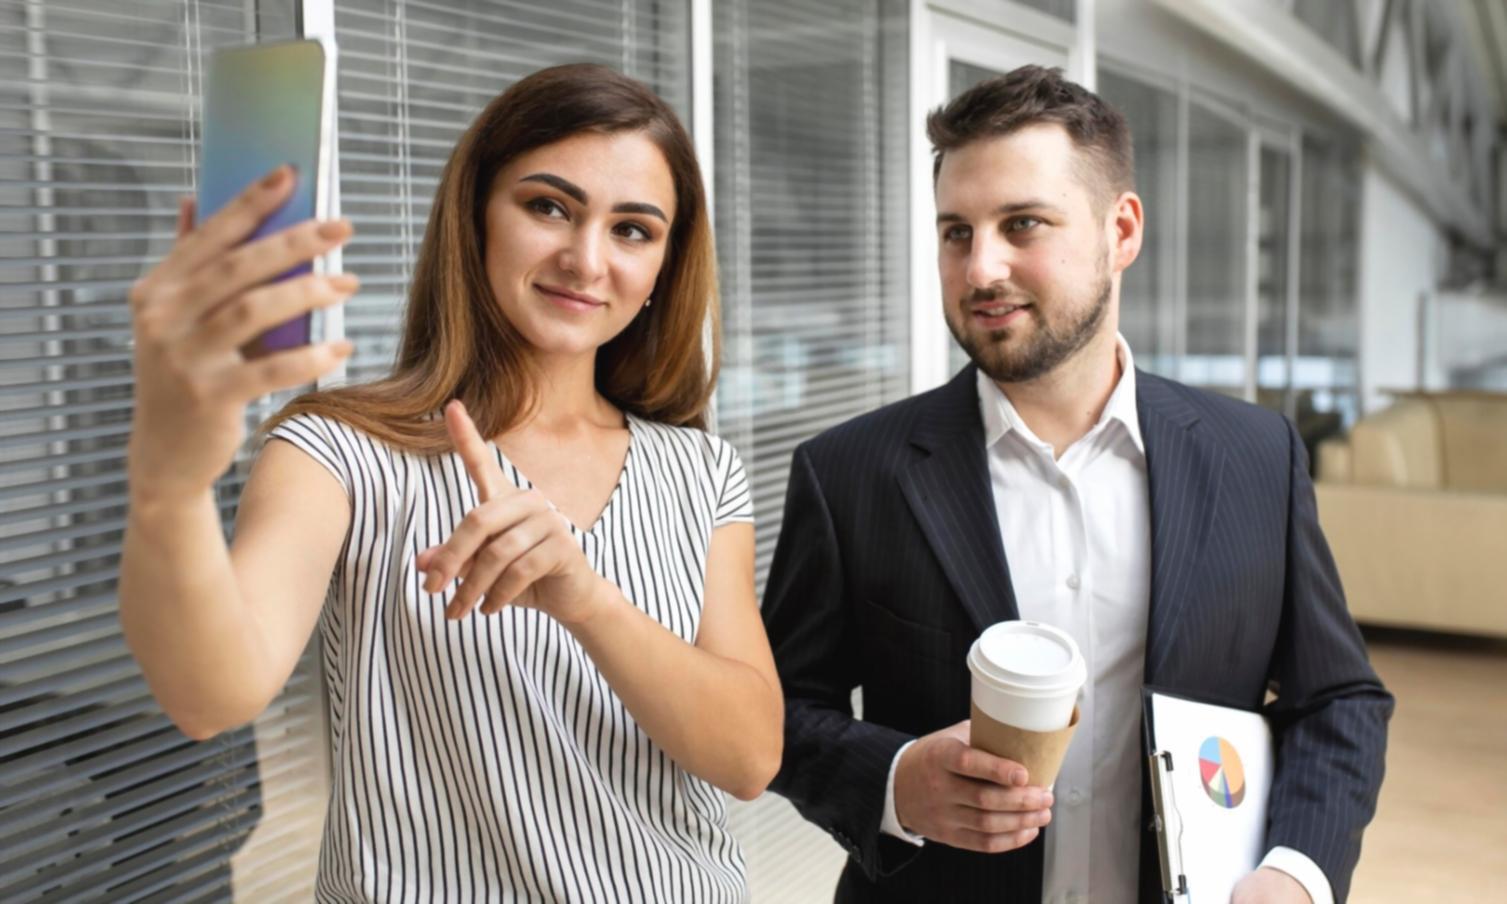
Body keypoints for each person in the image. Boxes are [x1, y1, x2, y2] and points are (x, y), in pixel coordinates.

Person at [120, 63, 782, 902]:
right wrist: (166, 486)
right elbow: (211, 696)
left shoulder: (699, 469)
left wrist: (587, 600)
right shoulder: (340, 450)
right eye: (548, 206)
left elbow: (750, 757)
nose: (585, 258)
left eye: (632, 230)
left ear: (662, 268)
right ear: (474, 218)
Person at [761, 65, 1392, 904]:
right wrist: (893, 781)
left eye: (1021, 224)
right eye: (956, 232)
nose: (980, 267)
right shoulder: (849, 472)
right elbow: (773, 712)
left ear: (1120, 229)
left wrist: (1296, 872)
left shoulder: (1254, 456)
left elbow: (1338, 699)